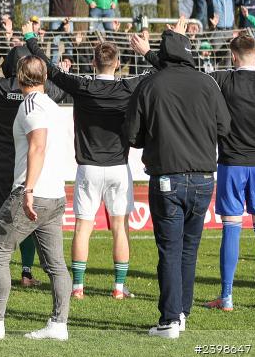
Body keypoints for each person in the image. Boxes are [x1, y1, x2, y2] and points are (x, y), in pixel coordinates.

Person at [24, 22, 163, 300]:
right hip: (117, 168)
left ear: (92, 62)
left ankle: (78, 286)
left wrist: (30, 38)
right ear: (119, 64)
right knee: (120, 228)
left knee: (83, 227)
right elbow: (163, 69)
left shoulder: (83, 86)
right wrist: (147, 52)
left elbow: (48, 67)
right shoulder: (128, 87)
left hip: (87, 168)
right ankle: (119, 287)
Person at [123, 28, 231, 338]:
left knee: (170, 250)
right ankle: (181, 312)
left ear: (164, 53)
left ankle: (171, 319)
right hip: (202, 177)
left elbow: (132, 135)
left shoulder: (149, 84)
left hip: (167, 175)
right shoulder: (207, 84)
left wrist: (155, 137)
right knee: (188, 249)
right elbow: (224, 126)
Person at [0, 55, 72, 341]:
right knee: (55, 264)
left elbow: (38, 147)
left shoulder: (32, 105)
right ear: (44, 77)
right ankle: (59, 324)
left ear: (21, 76)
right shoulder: (51, 104)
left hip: (34, 192)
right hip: (55, 194)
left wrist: (28, 190)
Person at [203, 33, 255, 311]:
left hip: (232, 163)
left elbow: (189, 76)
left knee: (232, 227)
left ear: (232, 56)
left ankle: (227, 297)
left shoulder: (222, 80)